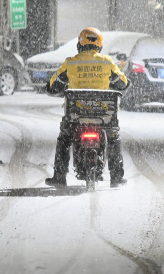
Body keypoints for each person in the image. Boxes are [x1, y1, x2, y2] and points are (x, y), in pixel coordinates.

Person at [45, 27, 129, 188]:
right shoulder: (107, 62)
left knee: (64, 139)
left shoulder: (71, 63)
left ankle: (59, 176)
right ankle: (116, 177)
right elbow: (123, 83)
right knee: (113, 138)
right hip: (104, 115)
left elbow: (53, 86)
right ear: (99, 45)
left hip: (76, 115)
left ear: (80, 44)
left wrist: (54, 87)